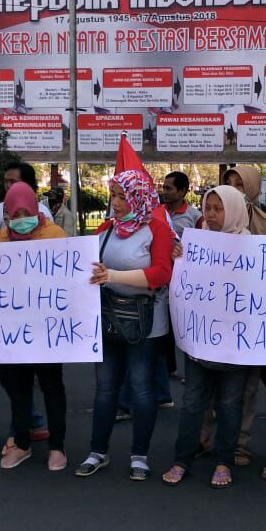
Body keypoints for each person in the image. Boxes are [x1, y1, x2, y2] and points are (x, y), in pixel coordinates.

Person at [76, 170, 174, 480]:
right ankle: (97, 452)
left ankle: (140, 456)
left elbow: (161, 274)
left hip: (144, 324)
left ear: (138, 196)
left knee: (142, 389)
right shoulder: (106, 229)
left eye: (122, 196)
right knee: (105, 389)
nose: (116, 203)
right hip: (107, 319)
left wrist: (113, 277)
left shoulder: (157, 231)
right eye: (113, 195)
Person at [162, 184, 252, 488]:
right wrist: (179, 259)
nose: (211, 215)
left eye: (218, 208)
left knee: (229, 404)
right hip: (200, 343)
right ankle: (181, 458)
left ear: (235, 210)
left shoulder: (254, 248)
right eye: (207, 208)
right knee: (191, 403)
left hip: (236, 346)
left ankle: (224, 460)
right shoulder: (196, 246)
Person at [0, 182, 69, 472]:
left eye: (27, 211)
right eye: (15, 213)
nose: (21, 218)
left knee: (52, 386)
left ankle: (57, 447)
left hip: (47, 328)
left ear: (36, 210)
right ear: (8, 214)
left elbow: (69, 276)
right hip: (14, 331)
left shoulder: (55, 235)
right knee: (19, 387)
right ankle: (22, 444)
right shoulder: (1, 240)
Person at [0, 161, 53, 241]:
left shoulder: (44, 212)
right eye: (5, 181)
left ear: (27, 182)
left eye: (12, 181)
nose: (8, 186)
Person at [222, 165, 266, 236]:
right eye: (227, 184)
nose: (231, 189)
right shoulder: (215, 219)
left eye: (239, 184)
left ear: (253, 189)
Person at [160, 171, 200, 238]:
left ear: (182, 191)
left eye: (168, 188)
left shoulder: (196, 216)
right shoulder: (156, 212)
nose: (164, 192)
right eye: (164, 188)